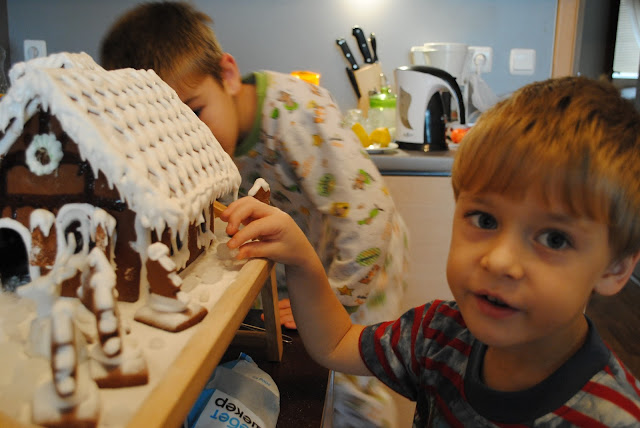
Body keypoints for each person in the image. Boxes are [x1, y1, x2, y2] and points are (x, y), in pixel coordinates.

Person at [220, 76, 640, 426]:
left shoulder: (612, 417)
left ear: (616, 268)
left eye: (554, 239)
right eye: (485, 220)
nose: (499, 260)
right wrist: (301, 257)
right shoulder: (438, 334)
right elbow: (337, 343)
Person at [100, 2, 410, 426]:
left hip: (361, 259)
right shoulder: (212, 143)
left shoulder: (295, 112)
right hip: (299, 254)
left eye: (195, 113)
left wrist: (331, 296)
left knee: (353, 376)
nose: (188, 139)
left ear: (227, 75)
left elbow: (369, 216)